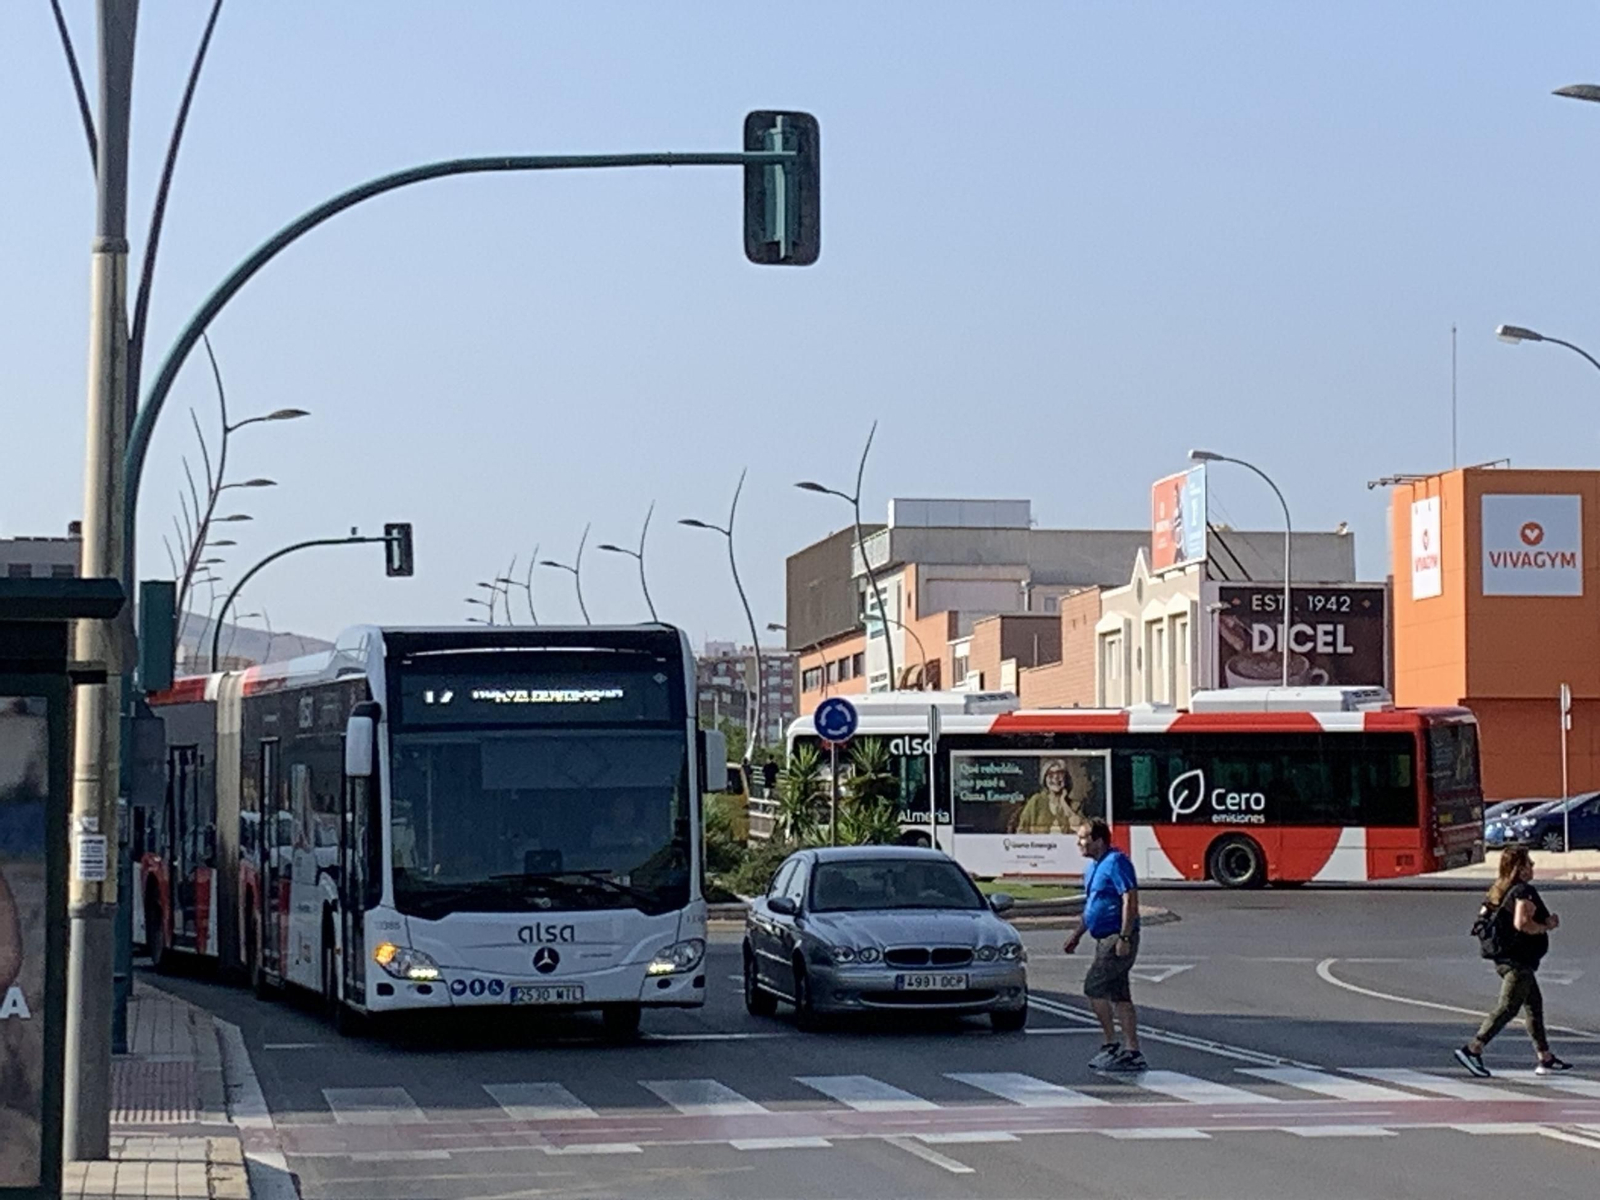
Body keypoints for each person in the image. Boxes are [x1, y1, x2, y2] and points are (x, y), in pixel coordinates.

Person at [1454, 846, 1571, 1078]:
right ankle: (1473, 1049)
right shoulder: (1522, 890)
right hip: (1517, 961)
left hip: (1505, 957)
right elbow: (1522, 923)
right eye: (1529, 862)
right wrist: (1546, 926)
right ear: (1520, 868)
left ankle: (1545, 1057)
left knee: (1533, 1005)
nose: (1533, 866)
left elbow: (1485, 918)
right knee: (1508, 1006)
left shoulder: (1498, 889)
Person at [1063, 819, 1144, 1072]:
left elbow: (1130, 899)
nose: (1079, 843)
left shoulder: (1116, 862)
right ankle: (1132, 1052)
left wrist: (1125, 937)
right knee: (1120, 994)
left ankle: (1111, 1045)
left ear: (1098, 840)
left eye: (1083, 838)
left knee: (1094, 987)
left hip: (1116, 936)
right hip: (1103, 937)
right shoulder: (1093, 867)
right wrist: (1077, 934)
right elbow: (1093, 906)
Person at [1013, 758, 1091, 835]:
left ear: (1066, 778)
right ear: (1044, 779)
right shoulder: (1036, 801)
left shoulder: (1075, 805)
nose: (1055, 777)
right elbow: (1021, 831)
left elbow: (1082, 831)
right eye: (1050, 774)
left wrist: (1064, 803)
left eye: (1060, 773)